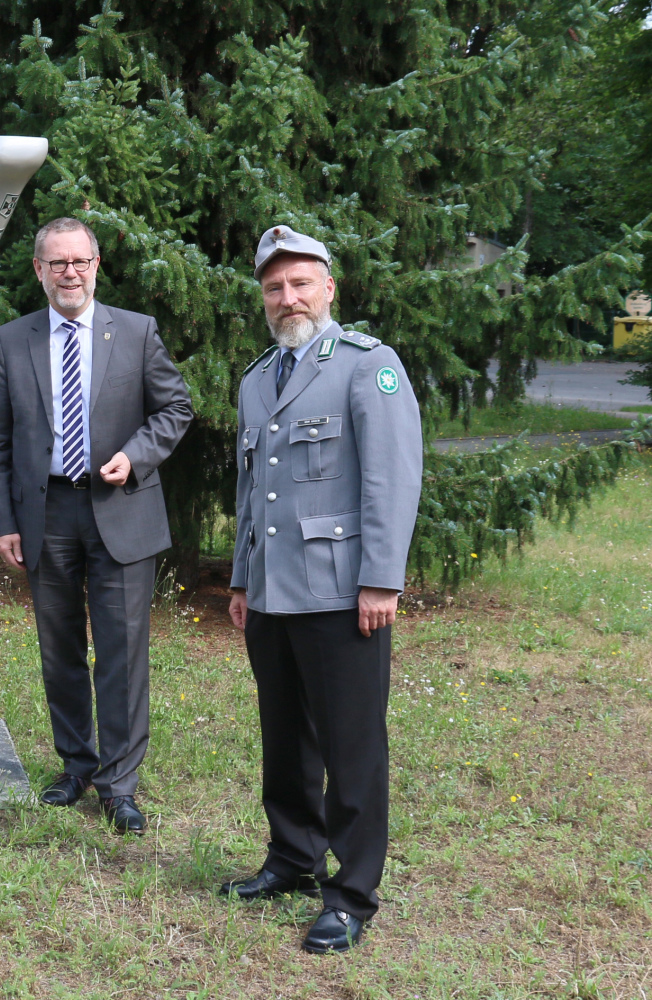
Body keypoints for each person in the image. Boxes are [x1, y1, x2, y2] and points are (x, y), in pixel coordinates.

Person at [223, 226, 423, 953]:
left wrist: (381, 582)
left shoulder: (368, 367)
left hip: (343, 595)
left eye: (301, 283)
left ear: (329, 288)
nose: (288, 298)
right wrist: (243, 579)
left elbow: (391, 480)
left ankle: (352, 893)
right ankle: (292, 860)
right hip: (273, 596)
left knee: (353, 744)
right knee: (285, 739)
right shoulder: (256, 378)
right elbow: (252, 494)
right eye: (275, 287)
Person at [0, 217, 193, 833]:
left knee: (123, 653)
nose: (68, 273)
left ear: (96, 266)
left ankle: (119, 784)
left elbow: (175, 407)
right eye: (56, 263)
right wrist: (2, 523)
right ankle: (77, 764)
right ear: (38, 271)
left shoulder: (134, 332)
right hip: (45, 515)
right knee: (61, 649)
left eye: (79, 262)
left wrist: (137, 455)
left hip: (120, 508)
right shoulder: (11, 340)